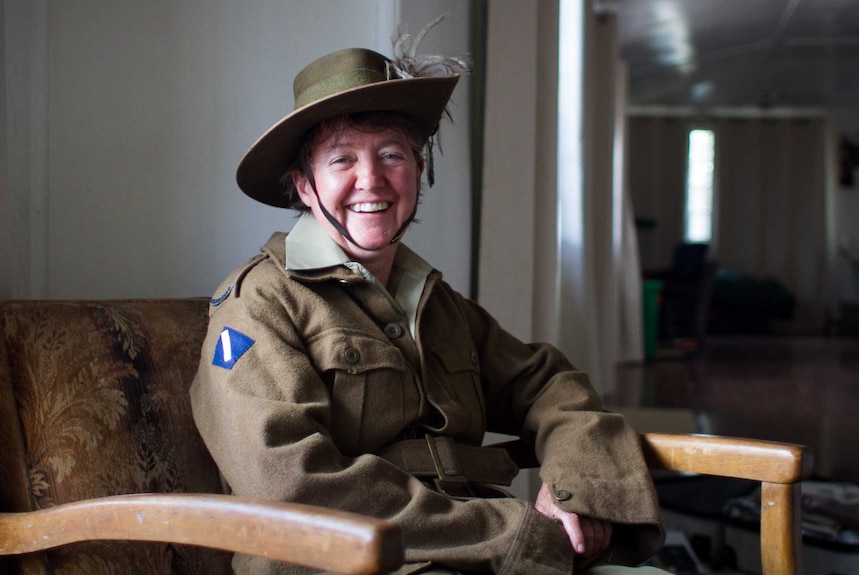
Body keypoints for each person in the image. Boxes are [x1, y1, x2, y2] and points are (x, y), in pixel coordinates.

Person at [190, 23, 668, 575]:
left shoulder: (434, 303)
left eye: (392, 155)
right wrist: (508, 535)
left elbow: (547, 383)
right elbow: (291, 484)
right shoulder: (261, 302)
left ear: (420, 170)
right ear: (304, 185)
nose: (371, 180)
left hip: (478, 555)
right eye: (342, 160)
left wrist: (579, 486)